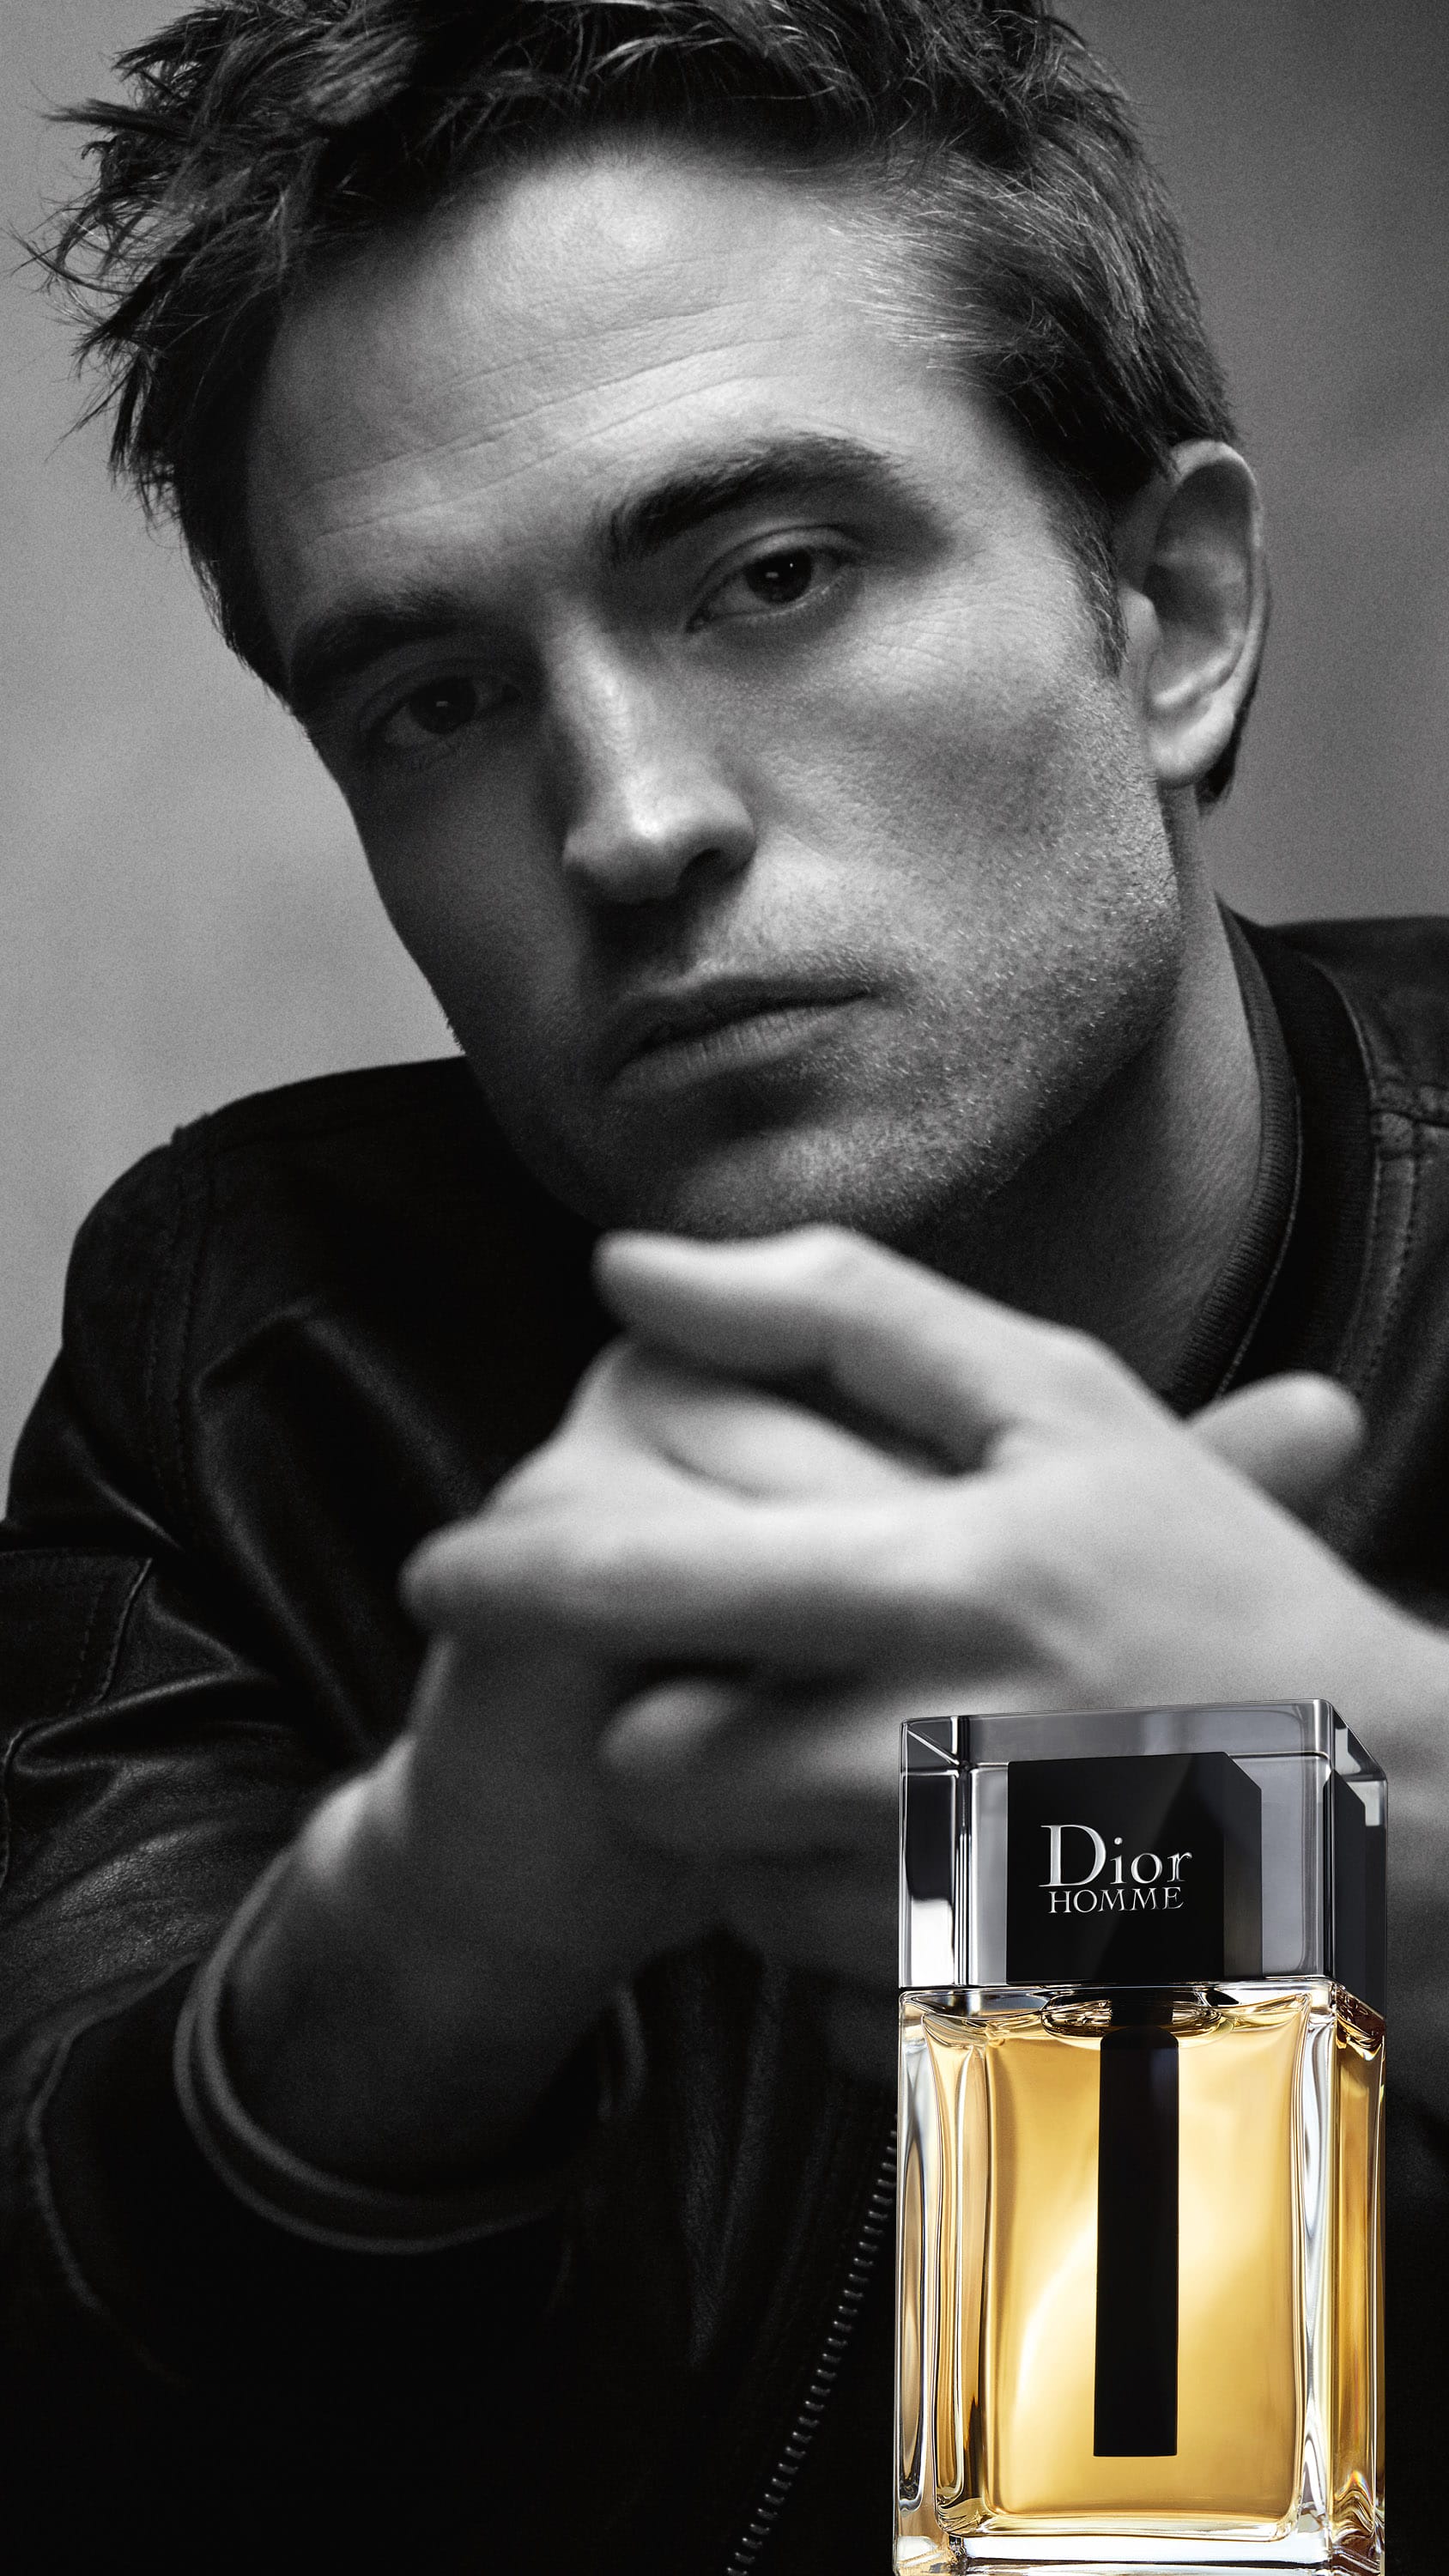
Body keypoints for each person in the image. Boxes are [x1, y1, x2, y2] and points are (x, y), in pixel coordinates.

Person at [3, 3, 1446, 2565]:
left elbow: (1134, 2509)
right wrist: (428, 1937)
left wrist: (1408, 1847)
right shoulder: (268, 1360)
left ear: (1172, 615)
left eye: (772, 577)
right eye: (437, 700)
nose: (631, 821)